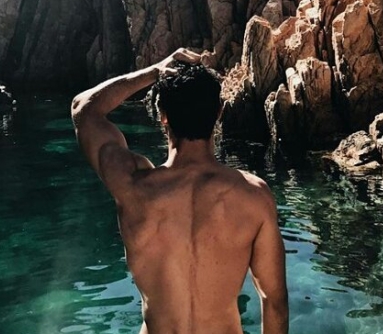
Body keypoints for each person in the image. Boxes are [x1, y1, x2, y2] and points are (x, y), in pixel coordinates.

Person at [71, 48, 288, 334]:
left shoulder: (133, 186)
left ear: (162, 115)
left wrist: (153, 72)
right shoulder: (253, 196)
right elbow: (274, 302)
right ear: (218, 114)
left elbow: (83, 110)